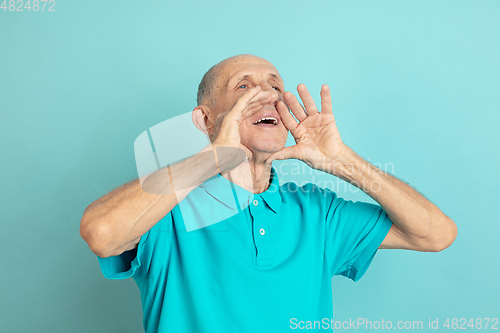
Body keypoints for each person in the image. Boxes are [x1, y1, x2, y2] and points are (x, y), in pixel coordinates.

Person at [80, 54, 457, 332]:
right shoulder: (167, 206)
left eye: (275, 86)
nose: (265, 94)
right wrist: (212, 158)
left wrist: (342, 161)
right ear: (206, 120)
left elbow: (436, 233)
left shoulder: (318, 212)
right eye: (243, 86)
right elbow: (101, 233)